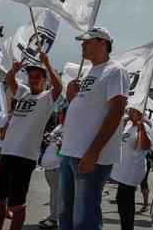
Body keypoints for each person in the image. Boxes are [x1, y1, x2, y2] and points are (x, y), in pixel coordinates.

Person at [60, 27, 129, 230]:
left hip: (90, 157)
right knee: (66, 215)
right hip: (70, 153)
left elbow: (116, 112)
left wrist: (93, 151)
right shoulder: (89, 72)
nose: (82, 44)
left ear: (102, 44)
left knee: (85, 220)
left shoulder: (115, 71)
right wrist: (70, 97)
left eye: (87, 41)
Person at [0, 53, 62, 230]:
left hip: (24, 157)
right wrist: (14, 70)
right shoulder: (23, 92)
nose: (33, 79)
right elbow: (9, 80)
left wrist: (47, 63)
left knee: (17, 205)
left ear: (45, 80)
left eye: (38, 76)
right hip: (7, 153)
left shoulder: (46, 98)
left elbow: (59, 87)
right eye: (31, 76)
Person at [111, 107, 152, 230]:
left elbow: (146, 146)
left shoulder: (144, 127)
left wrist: (143, 130)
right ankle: (127, 226)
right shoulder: (128, 126)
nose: (130, 113)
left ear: (140, 114)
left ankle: (127, 226)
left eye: (133, 112)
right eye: (130, 111)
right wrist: (122, 124)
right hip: (123, 169)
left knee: (123, 199)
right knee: (126, 200)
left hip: (133, 169)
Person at [39, 108, 66, 229]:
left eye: (61, 114)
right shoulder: (58, 127)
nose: (59, 116)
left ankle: (55, 219)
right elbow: (49, 144)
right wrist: (43, 141)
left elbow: (63, 152)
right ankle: (52, 215)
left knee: (57, 193)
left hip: (57, 165)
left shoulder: (70, 129)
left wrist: (61, 150)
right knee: (53, 192)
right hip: (48, 165)